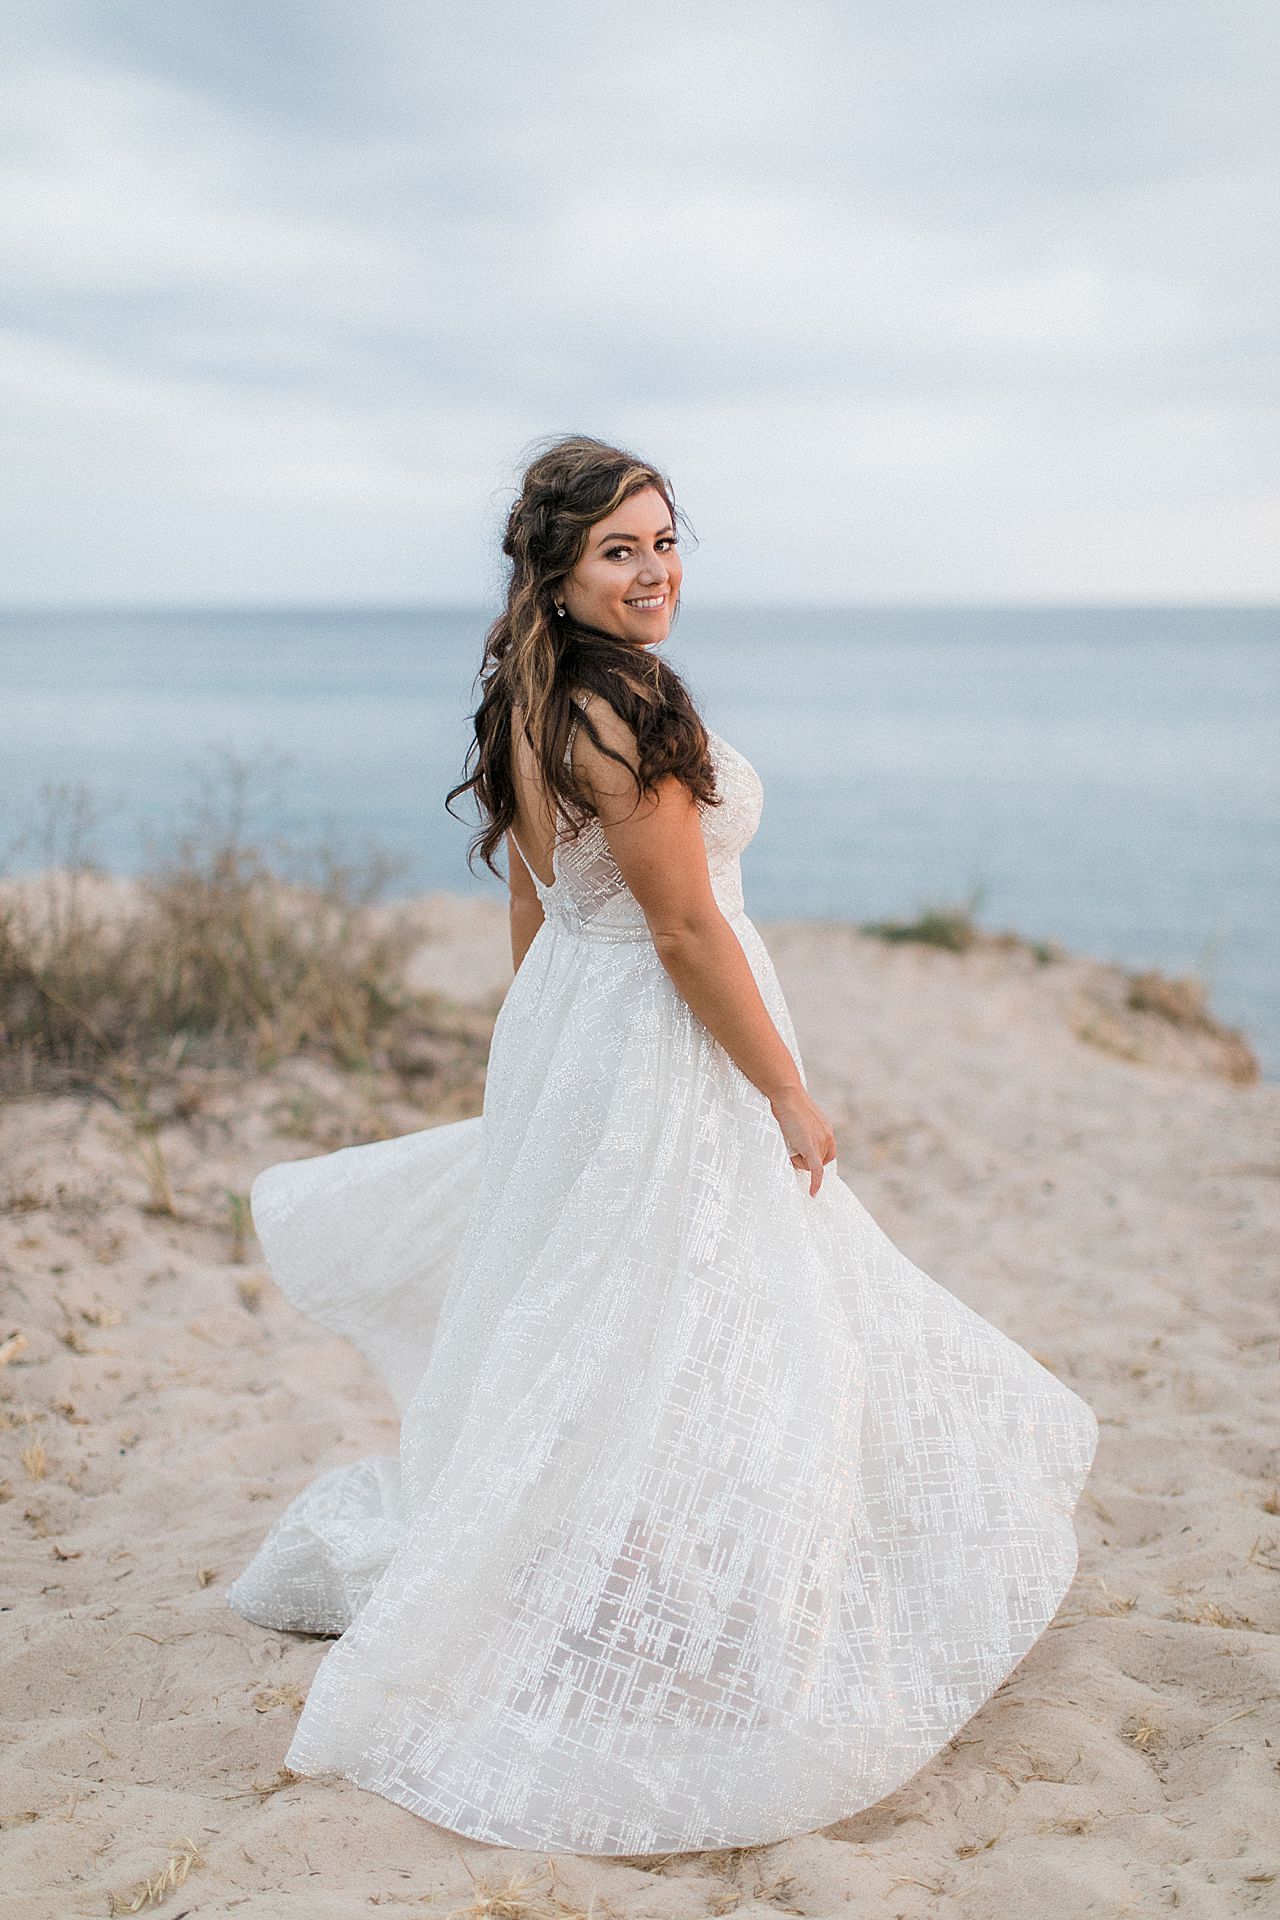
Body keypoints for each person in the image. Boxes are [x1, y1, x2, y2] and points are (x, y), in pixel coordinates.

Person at [226, 433, 1099, 1857]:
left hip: (584, 1026)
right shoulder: (620, 707)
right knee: (717, 1314)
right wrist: (784, 1095)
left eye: (666, 540)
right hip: (655, 1043)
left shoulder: (533, 689)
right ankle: (706, 1616)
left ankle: (623, 1576)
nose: (654, 572)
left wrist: (539, 1046)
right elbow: (686, 929)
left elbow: (536, 897)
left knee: (617, 1314)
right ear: (561, 575)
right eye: (619, 550)